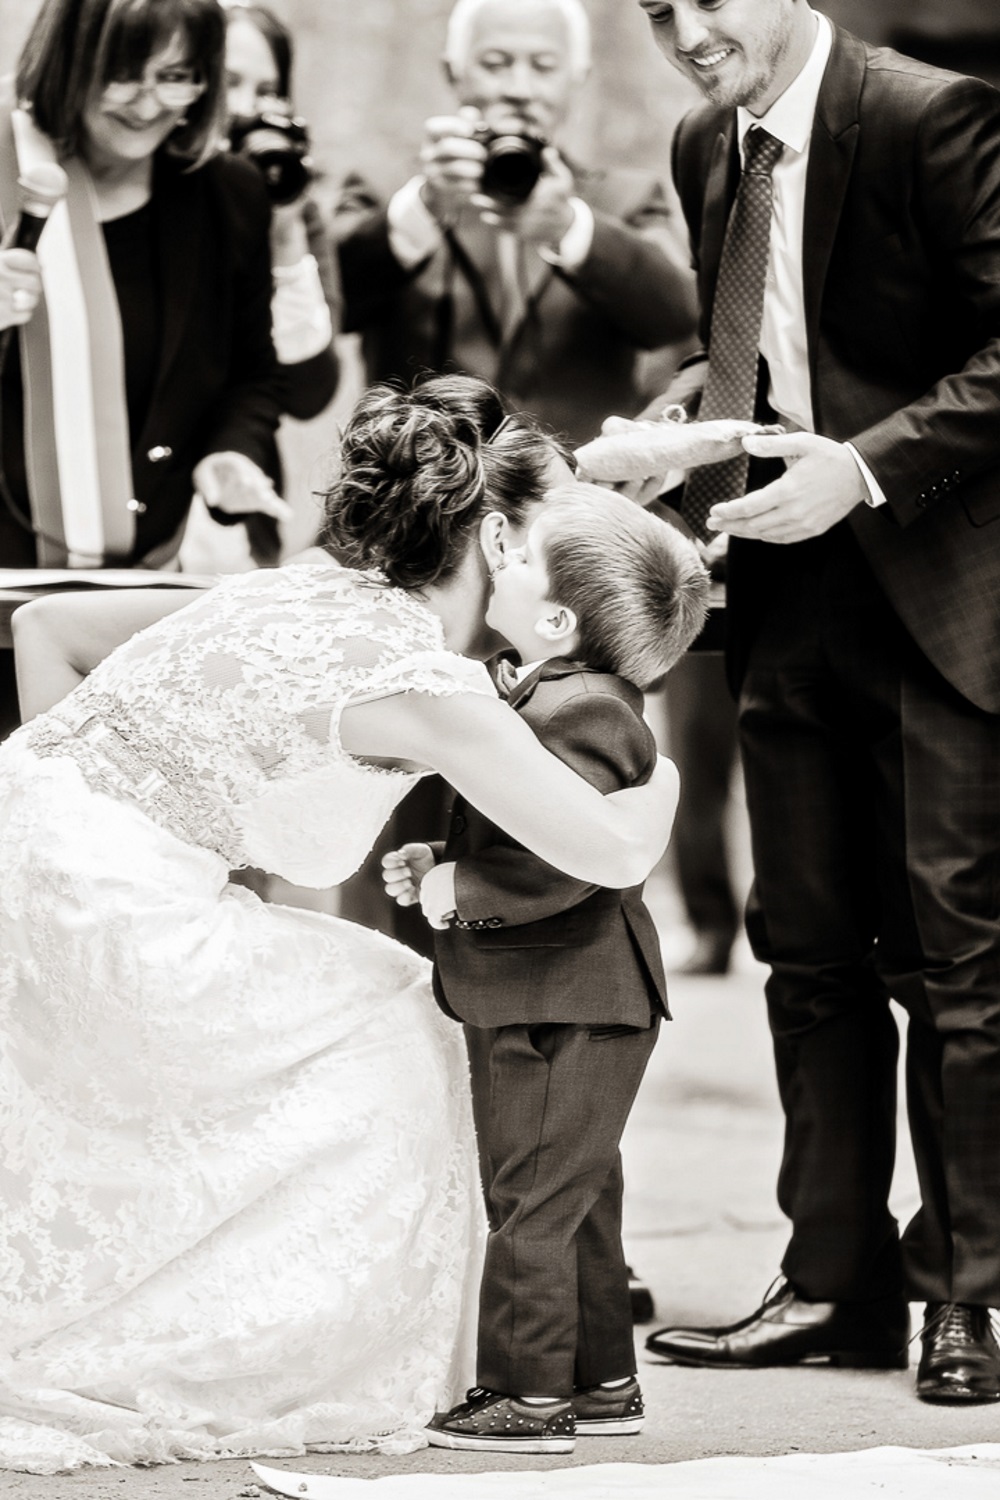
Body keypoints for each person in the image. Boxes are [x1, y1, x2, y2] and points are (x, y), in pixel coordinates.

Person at [0, 373, 683, 1473]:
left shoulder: (315, 594)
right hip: (112, 913)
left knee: (334, 998)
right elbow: (608, 850)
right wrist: (667, 783)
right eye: (557, 535)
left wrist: (143, 820)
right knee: (402, 1024)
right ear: (501, 546)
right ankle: (284, 1342)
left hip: (27, 866)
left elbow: (47, 629)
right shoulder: (427, 684)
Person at [606, 0, 1000, 1405]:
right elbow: (762, 356)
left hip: (938, 599)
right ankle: (834, 1286)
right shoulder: (707, 145)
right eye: (658, 9)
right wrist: (670, 432)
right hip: (784, 597)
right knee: (809, 956)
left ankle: (968, 1298)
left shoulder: (927, 114)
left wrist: (869, 465)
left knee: (958, 964)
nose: (687, 29)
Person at [331, 0, 699, 963]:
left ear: (575, 85)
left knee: (560, 778)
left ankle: (530, 1001)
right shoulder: (390, 189)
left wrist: (566, 227)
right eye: (495, 62)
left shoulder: (619, 197)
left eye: (542, 65)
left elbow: (674, 312)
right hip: (417, 551)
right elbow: (331, 296)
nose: (518, 84)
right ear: (456, 79)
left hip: (559, 569)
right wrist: (422, 212)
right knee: (397, 778)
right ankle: (387, 978)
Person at [382, 482, 709, 1454]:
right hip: (560, 990)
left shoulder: (585, 710)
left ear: (559, 619)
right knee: (579, 1198)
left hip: (570, 993)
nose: (502, 563)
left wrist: (457, 885)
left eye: (519, 558)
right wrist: (442, 863)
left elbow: (559, 856)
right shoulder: (541, 689)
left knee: (528, 1195)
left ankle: (525, 1399)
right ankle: (602, 1382)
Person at [0, 0, 288, 738]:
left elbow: (252, 376)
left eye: (178, 76)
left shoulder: (229, 194)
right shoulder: (8, 165)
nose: (150, 103)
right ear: (68, 62)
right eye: (124, 75)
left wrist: (232, 452)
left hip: (130, 606)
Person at [218, 0, 341, 566]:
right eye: (228, 83)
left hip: (238, 524)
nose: (244, 108)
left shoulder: (294, 208)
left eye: (266, 90)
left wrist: (285, 237)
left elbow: (310, 392)